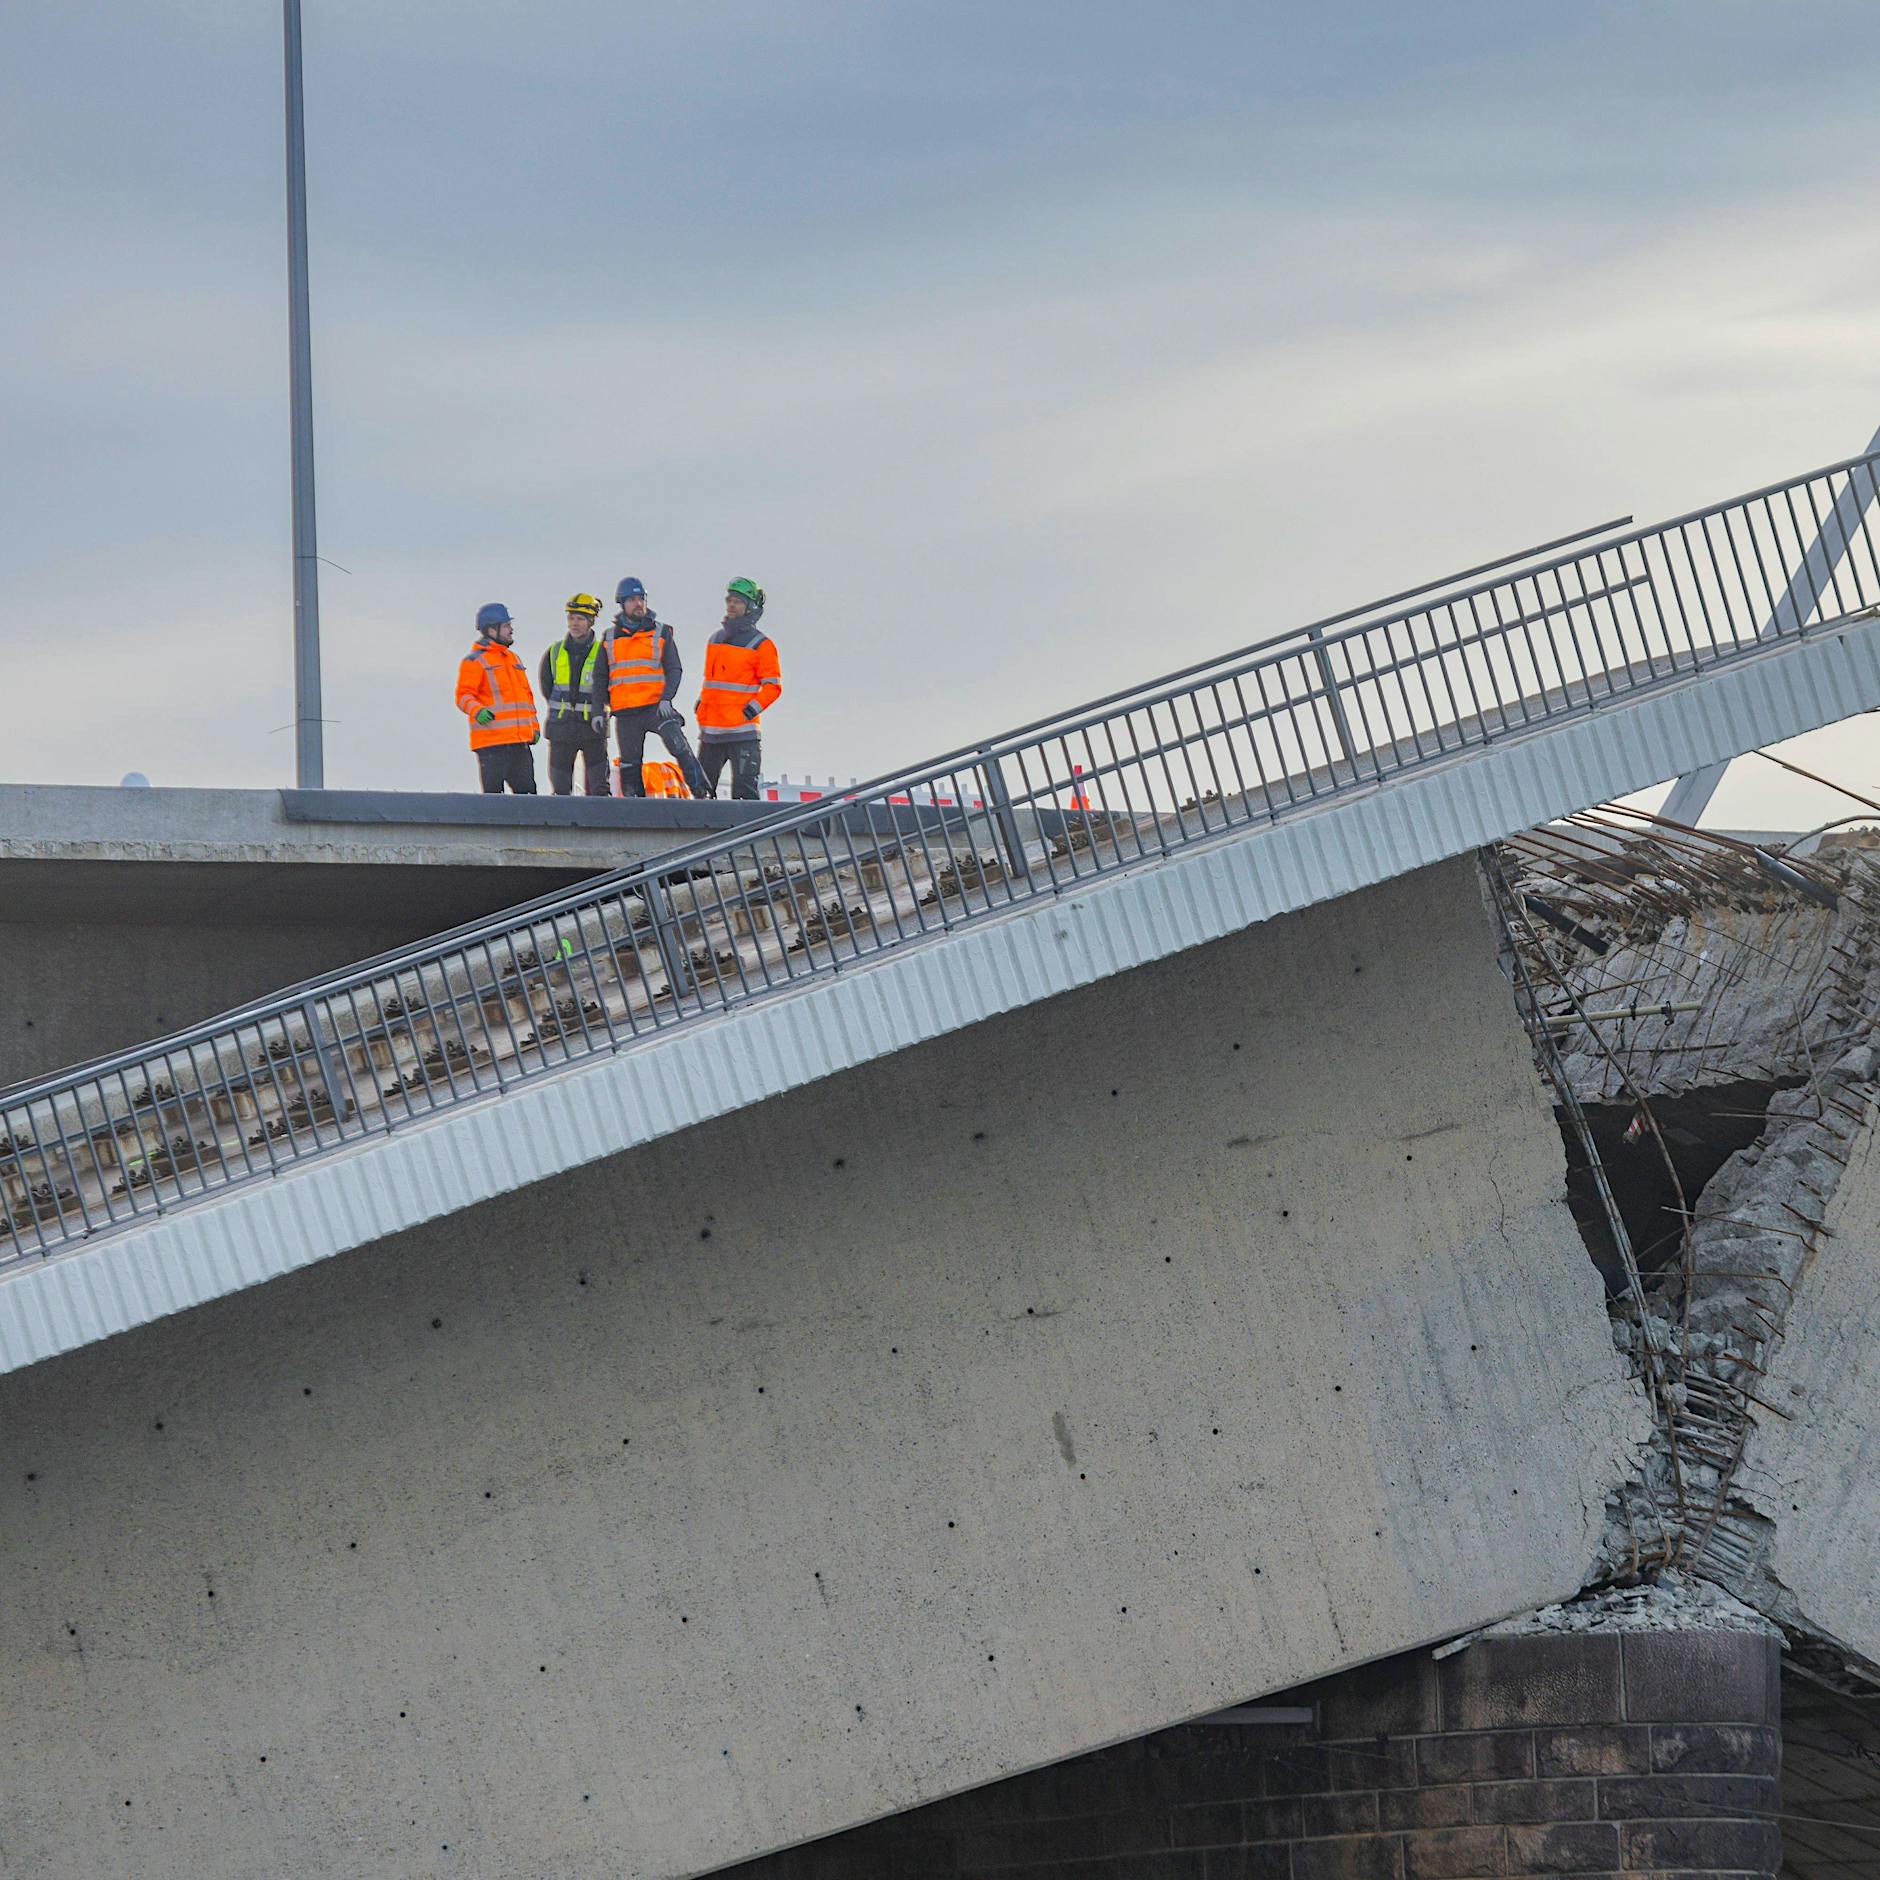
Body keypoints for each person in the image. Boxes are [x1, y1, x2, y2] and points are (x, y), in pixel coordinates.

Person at [605, 577, 709, 798]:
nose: (638, 604)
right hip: (626, 712)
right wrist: (600, 708)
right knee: (629, 764)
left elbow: (674, 669)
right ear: (622, 603)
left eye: (641, 598)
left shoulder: (660, 632)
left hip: (655, 706)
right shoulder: (609, 638)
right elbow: (600, 678)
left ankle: (702, 792)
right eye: (632, 599)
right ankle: (636, 805)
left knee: (679, 746)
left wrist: (666, 698)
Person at [695, 577, 781, 800]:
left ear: (750, 607)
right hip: (711, 733)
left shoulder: (762, 645)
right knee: (701, 794)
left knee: (745, 796)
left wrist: (751, 709)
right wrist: (701, 703)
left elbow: (773, 687)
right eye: (729, 600)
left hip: (743, 733)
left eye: (738, 602)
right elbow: (711, 681)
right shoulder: (715, 640)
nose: (731, 605)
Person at [456, 602, 540, 793]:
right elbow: (463, 695)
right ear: (492, 630)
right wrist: (477, 711)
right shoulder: (475, 661)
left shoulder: (514, 659)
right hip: (491, 746)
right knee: (494, 801)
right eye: (507, 626)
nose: (511, 630)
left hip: (519, 744)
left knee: (529, 799)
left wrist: (533, 728)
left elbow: (526, 697)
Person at [538, 593, 612, 795]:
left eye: (579, 618)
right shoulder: (554, 652)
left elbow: (610, 689)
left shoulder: (603, 652)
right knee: (560, 791)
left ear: (590, 622)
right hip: (561, 730)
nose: (574, 623)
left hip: (592, 729)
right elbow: (547, 686)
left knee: (600, 790)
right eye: (571, 618)